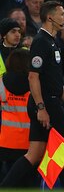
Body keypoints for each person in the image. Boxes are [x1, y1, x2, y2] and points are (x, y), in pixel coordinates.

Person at [1, 1, 64, 188]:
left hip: (52, 100)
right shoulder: (41, 41)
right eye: (62, 14)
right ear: (50, 17)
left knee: (34, 154)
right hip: (47, 103)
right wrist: (41, 107)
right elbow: (34, 77)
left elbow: (54, 79)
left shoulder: (51, 41)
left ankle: (5, 190)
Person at [0, 49, 31, 184]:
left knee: (8, 182)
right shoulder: (34, 83)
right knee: (27, 184)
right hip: (29, 142)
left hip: (6, 141)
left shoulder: (1, 83)